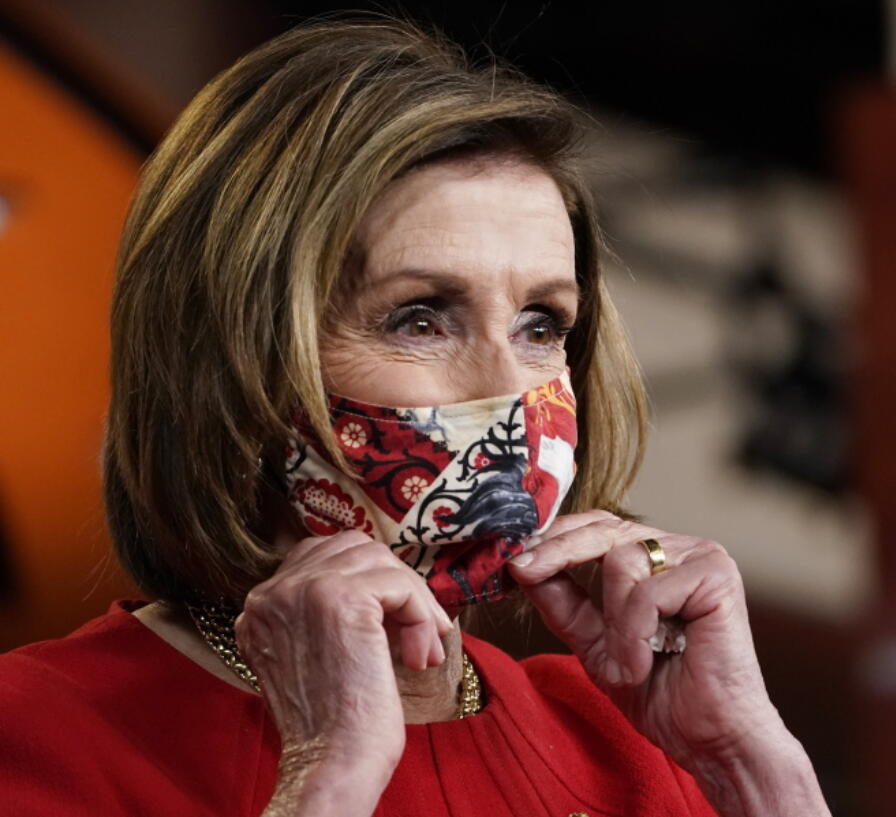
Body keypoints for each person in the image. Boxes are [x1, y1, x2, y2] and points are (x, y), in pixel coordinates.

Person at [0, 18, 829, 817]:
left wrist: (750, 763)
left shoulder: (628, 740)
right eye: (420, 317)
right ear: (230, 360)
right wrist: (327, 780)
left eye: (541, 326)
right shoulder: (38, 730)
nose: (512, 389)